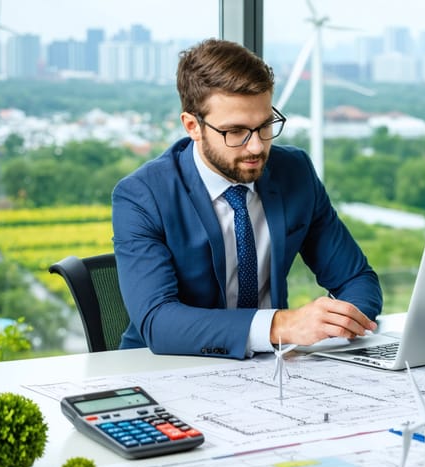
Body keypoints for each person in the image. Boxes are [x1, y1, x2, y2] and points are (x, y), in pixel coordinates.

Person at [112, 38, 382, 358]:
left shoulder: (295, 172)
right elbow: (158, 321)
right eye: (236, 131)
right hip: (166, 368)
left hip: (278, 366)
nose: (256, 147)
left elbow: (357, 279)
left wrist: (337, 324)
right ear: (192, 126)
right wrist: (279, 326)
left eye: (265, 125)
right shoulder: (142, 196)